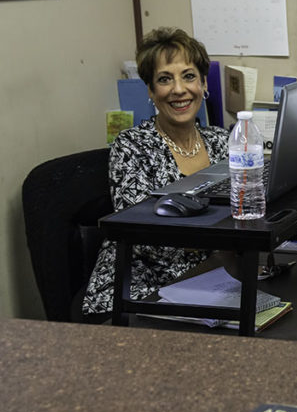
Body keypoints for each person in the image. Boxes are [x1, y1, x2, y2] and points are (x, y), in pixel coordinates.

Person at [80, 28, 230, 318]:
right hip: (136, 292)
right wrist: (225, 243)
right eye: (164, 79)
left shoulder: (221, 141)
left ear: (203, 83)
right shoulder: (131, 146)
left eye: (188, 76)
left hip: (210, 276)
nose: (178, 90)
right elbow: (142, 234)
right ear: (151, 91)